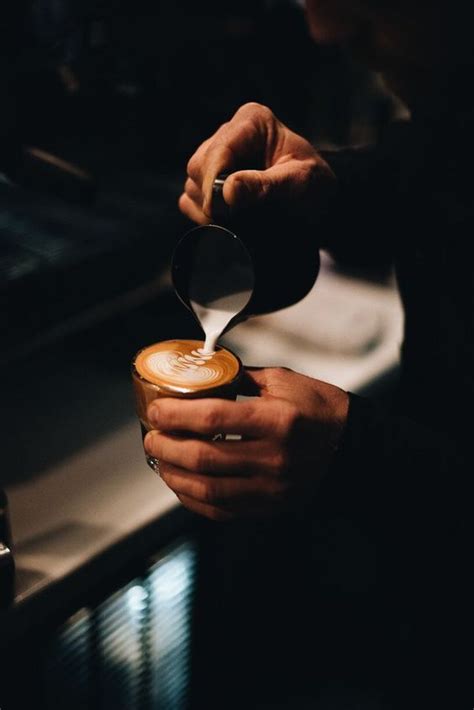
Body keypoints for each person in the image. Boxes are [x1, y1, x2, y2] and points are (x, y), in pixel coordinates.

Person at [145, 1, 473, 706]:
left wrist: (364, 453)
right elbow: (442, 172)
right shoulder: (452, 100)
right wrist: (319, 190)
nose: (325, 29)